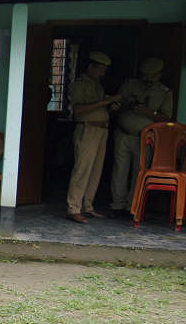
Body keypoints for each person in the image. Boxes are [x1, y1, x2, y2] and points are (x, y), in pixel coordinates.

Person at [109, 57, 172, 218]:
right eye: (145, 75)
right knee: (119, 170)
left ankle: (132, 206)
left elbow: (166, 118)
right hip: (123, 133)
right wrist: (126, 106)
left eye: (152, 76)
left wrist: (149, 113)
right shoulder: (129, 85)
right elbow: (115, 105)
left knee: (139, 172)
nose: (148, 79)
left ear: (159, 75)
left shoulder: (165, 92)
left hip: (144, 138)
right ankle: (117, 205)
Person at [66, 51, 120, 223]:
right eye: (100, 69)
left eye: (105, 69)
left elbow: (98, 110)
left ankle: (87, 206)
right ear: (90, 67)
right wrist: (105, 101)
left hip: (101, 131)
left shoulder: (98, 85)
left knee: (95, 171)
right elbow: (79, 110)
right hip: (87, 130)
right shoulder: (79, 85)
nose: (102, 73)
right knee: (82, 169)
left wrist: (111, 107)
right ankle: (73, 208)